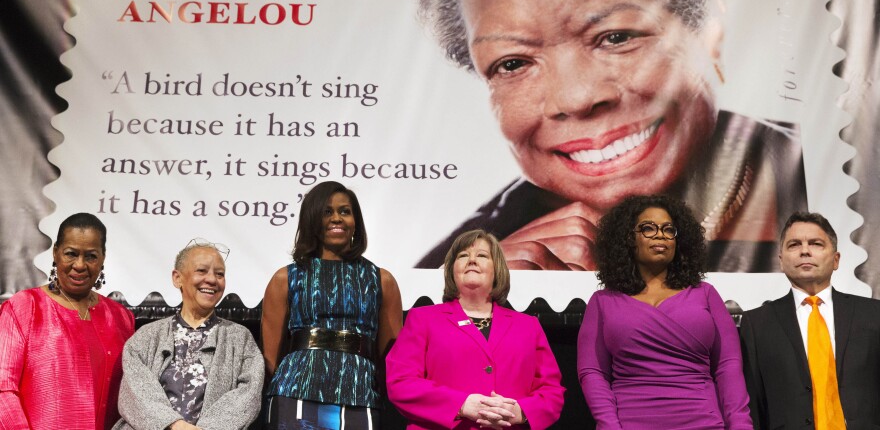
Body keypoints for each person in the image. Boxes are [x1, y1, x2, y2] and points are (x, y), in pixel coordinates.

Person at [415, 0, 807, 272]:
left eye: (616, 37)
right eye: (513, 63)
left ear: (709, 34)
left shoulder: (842, 177)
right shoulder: (448, 279)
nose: (576, 97)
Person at [577, 195, 751, 429]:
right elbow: (593, 372)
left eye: (669, 230)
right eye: (648, 228)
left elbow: (728, 366)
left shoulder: (705, 294)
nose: (660, 234)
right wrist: (609, 425)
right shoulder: (603, 302)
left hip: (703, 422)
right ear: (629, 238)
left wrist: (740, 424)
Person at [386, 229, 564, 429]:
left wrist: (521, 411)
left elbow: (552, 391)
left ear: (497, 269)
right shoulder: (423, 319)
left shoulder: (528, 326)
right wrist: (461, 405)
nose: (472, 260)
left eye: (482, 255)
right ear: (451, 270)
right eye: (463, 256)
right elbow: (401, 382)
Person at [261, 181, 402, 429]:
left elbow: (389, 359)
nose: (336, 218)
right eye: (327, 212)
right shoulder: (285, 278)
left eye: (345, 211)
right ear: (312, 220)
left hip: (360, 397)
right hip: (294, 395)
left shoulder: (382, 280)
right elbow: (270, 359)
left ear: (355, 221)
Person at [740, 212, 880, 429]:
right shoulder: (756, 324)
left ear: (836, 260)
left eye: (816, 244)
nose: (805, 250)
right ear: (781, 261)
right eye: (794, 244)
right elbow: (753, 406)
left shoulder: (873, 314)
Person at [0, 212, 135, 430]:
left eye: (91, 256)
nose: (80, 265)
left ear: (103, 258)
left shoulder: (121, 318)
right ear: (55, 253)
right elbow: (3, 390)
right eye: (71, 254)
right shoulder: (24, 307)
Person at [113, 239, 263, 430]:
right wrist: (173, 425)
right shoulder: (146, 337)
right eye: (202, 271)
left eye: (220, 274)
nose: (212, 280)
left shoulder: (240, 338)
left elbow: (249, 394)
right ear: (177, 278)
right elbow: (134, 393)